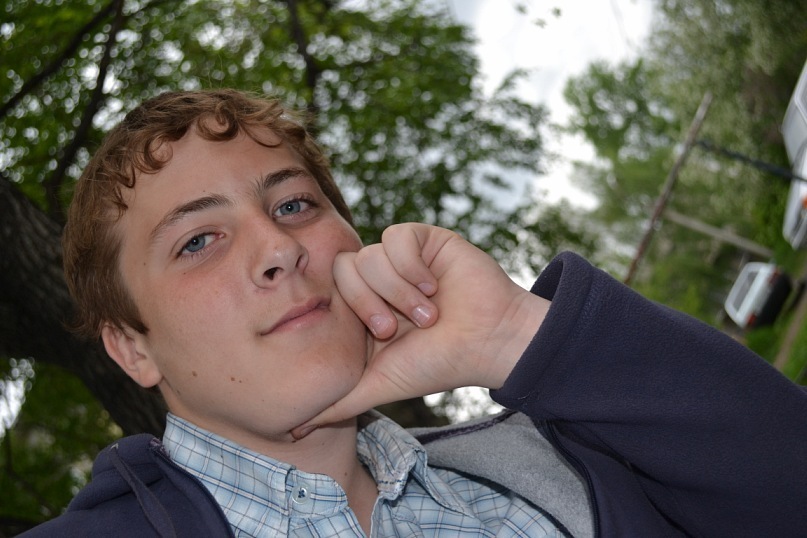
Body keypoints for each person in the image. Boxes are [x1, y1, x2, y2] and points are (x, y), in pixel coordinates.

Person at [22, 89, 807, 537]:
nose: (278, 247)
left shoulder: (556, 463)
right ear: (130, 348)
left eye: (294, 204)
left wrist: (514, 336)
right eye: (197, 242)